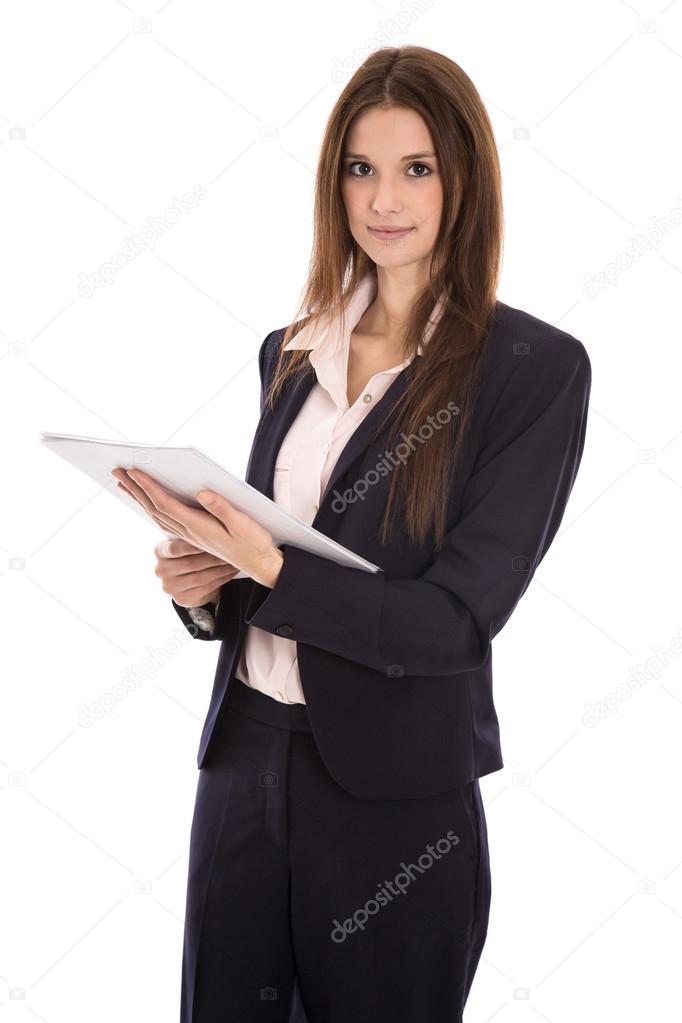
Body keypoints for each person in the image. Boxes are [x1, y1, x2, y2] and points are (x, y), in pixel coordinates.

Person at [113, 44, 591, 1023]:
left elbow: (455, 624)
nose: (384, 198)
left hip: (393, 803)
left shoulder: (532, 370)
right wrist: (207, 591)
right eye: (359, 168)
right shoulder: (289, 352)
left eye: (416, 167)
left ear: (464, 180)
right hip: (244, 767)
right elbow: (265, 575)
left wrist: (265, 562)